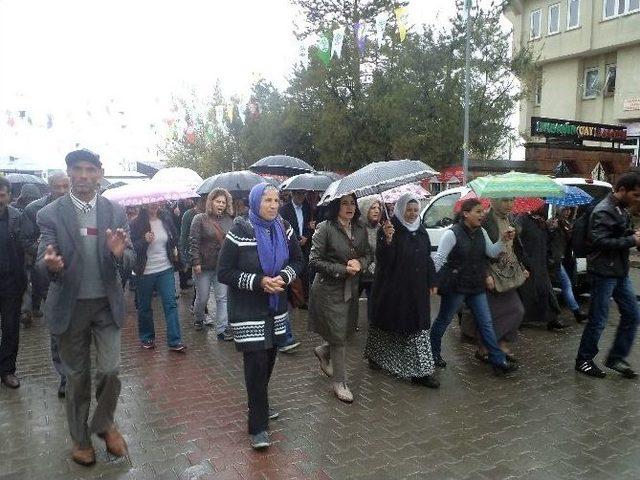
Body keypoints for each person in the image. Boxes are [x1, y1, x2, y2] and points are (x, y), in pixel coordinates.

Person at [36, 149, 135, 466]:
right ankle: (80, 441)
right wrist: (51, 265)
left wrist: (120, 254)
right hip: (70, 306)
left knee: (110, 369)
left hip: (106, 305)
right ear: (68, 173)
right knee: (77, 378)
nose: (82, 175)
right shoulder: (50, 214)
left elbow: (131, 260)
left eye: (89, 169)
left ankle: (104, 423)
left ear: (99, 173)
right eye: (76, 169)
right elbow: (42, 262)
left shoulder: (115, 212)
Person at [217, 183, 303, 449]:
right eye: (267, 200)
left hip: (275, 309)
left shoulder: (285, 227)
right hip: (248, 311)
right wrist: (259, 282)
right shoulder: (240, 231)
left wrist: (284, 278)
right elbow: (224, 272)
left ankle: (259, 404)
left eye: (277, 200)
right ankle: (258, 427)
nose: (273, 205)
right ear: (256, 203)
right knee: (255, 366)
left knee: (268, 362)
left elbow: (298, 261)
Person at [429, 198, 518, 376]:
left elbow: (491, 252)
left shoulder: (481, 232)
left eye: (483, 210)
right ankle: (433, 354)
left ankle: (497, 360)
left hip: (476, 286)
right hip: (456, 286)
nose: (482, 214)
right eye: (478, 211)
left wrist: (502, 240)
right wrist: (432, 282)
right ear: (465, 214)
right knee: (443, 321)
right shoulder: (451, 234)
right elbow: (439, 259)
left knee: (486, 323)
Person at [365, 193, 439, 388]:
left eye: (416, 210)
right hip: (394, 292)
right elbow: (384, 262)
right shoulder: (389, 229)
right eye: (409, 209)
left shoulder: (421, 230)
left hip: (417, 291)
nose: (413, 213)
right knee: (385, 327)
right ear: (400, 209)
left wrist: (432, 280)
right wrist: (387, 241)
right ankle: (376, 356)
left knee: (418, 329)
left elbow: (427, 257)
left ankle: (421, 372)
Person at [575, 173, 640, 379]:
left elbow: (621, 234)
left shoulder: (621, 209)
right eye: (636, 195)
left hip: (619, 272)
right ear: (622, 190)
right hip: (603, 272)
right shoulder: (604, 210)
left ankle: (616, 357)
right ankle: (584, 360)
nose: (638, 199)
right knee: (599, 319)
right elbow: (600, 241)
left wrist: (633, 236)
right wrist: (632, 241)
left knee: (632, 314)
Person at [308, 194, 370, 403]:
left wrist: (361, 263)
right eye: (344, 203)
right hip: (328, 290)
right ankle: (339, 382)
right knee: (338, 337)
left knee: (345, 332)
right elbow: (314, 261)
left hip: (350, 289)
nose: (349, 207)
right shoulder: (325, 228)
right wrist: (343, 269)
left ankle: (323, 350)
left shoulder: (360, 227)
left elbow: (368, 254)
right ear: (336, 206)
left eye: (352, 203)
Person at [20, 172, 71, 396]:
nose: (61, 190)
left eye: (64, 186)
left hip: (78, 277)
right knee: (57, 331)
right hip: (50, 278)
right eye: (57, 186)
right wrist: (45, 255)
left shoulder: (79, 208)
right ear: (49, 187)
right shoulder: (36, 211)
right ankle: (64, 377)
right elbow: (25, 240)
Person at [463, 198, 528, 363]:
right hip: (491, 278)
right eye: (505, 200)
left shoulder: (509, 219)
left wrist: (521, 267)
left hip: (507, 275)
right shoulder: (485, 221)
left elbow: (512, 249)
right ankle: (486, 347)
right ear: (496, 201)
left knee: (516, 310)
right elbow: (478, 250)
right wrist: (486, 274)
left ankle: (499, 344)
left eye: (512, 200)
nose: (510, 204)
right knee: (489, 315)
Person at [130, 202, 185, 352]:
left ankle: (175, 340)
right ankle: (147, 337)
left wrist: (175, 248)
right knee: (144, 306)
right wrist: (144, 241)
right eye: (149, 203)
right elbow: (131, 248)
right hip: (145, 271)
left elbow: (174, 237)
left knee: (170, 303)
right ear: (143, 204)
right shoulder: (135, 223)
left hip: (165, 267)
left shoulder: (166, 218)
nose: (153, 205)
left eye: (156, 202)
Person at [190, 188, 234, 337]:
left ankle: (222, 329)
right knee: (202, 298)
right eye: (218, 201)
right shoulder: (199, 219)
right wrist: (196, 261)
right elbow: (193, 242)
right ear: (211, 202)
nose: (221, 204)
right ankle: (199, 318)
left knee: (222, 298)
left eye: (223, 202)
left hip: (221, 266)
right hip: (203, 266)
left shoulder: (229, 220)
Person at [517, 206, 566, 330]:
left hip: (540, 262)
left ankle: (552, 318)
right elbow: (517, 240)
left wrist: (551, 229)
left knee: (546, 290)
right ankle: (520, 319)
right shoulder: (522, 219)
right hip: (527, 261)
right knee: (526, 293)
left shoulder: (541, 221)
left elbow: (545, 240)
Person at [0, 176, 27, 389]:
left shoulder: (17, 217)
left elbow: (25, 244)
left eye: (2, 194)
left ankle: (7, 371)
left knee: (10, 328)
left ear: (9, 196)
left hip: (11, 282)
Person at [279, 190, 313, 352]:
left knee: (303, 274)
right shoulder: (284, 210)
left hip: (303, 247)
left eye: (303, 194)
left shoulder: (307, 207)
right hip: (287, 251)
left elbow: (309, 225)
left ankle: (301, 300)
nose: (301, 197)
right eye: (299, 194)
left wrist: (306, 235)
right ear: (292, 194)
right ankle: (284, 337)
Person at [548, 206, 587, 323]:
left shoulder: (567, 223)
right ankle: (574, 313)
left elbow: (570, 241)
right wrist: (553, 229)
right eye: (565, 209)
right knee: (563, 285)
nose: (568, 212)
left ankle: (572, 313)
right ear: (559, 210)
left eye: (570, 210)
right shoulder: (554, 223)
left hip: (561, 259)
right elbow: (550, 240)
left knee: (563, 285)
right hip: (554, 260)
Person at [356, 197, 381, 326]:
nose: (377, 210)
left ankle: (373, 331)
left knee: (374, 308)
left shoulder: (381, 228)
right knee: (351, 305)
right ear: (365, 209)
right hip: (358, 274)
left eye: (378, 208)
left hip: (375, 275)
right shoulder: (356, 229)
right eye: (373, 207)